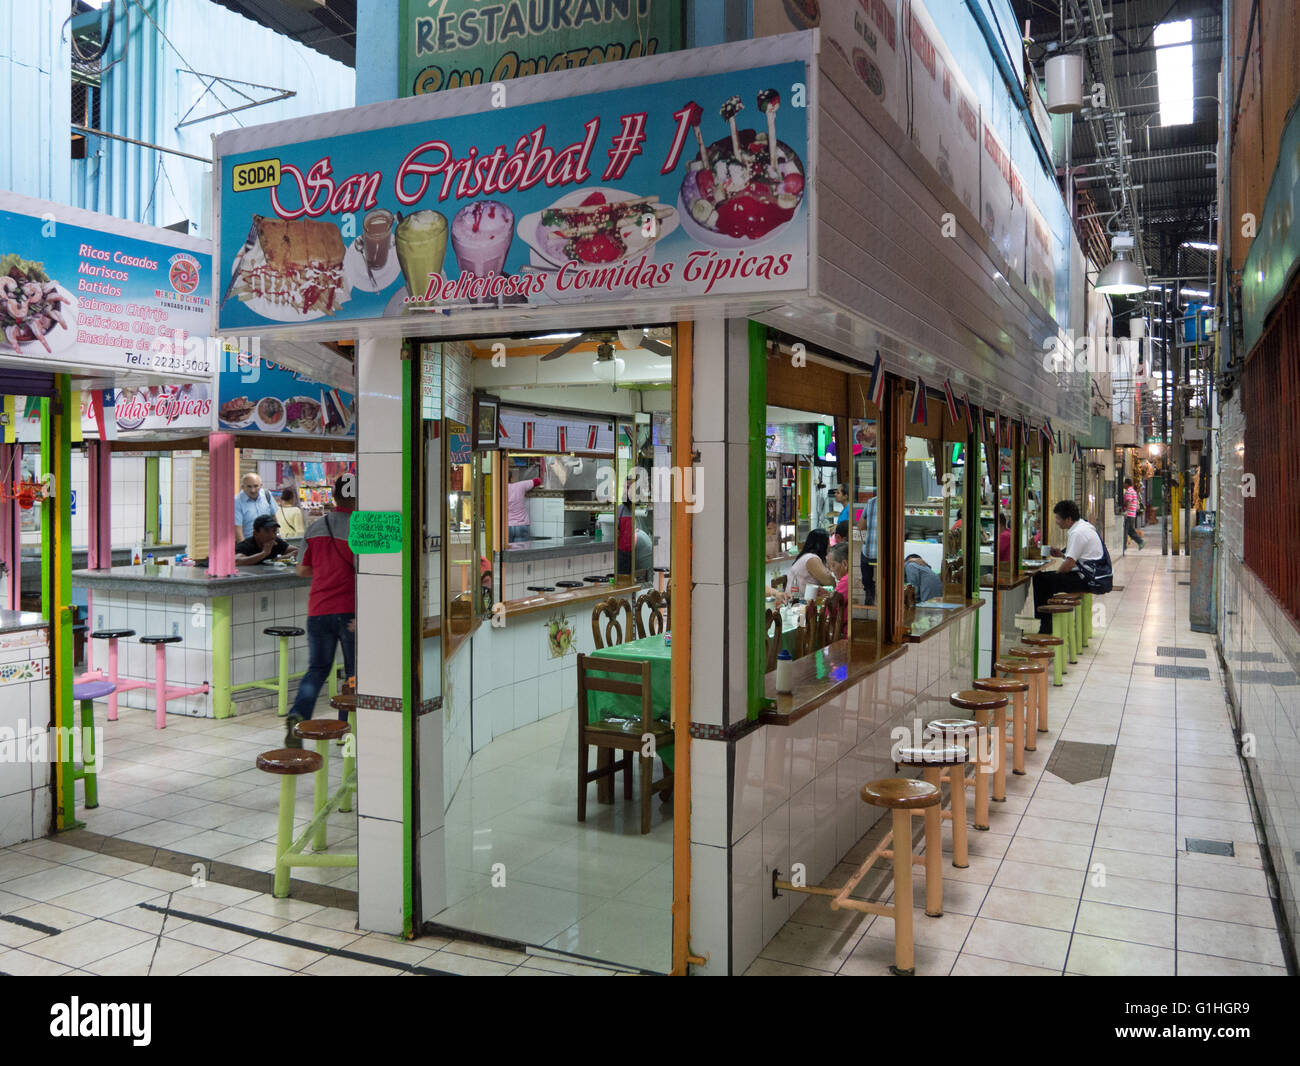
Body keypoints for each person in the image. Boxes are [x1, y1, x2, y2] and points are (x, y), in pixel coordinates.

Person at [285, 474, 358, 743]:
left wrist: (326, 569)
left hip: (318, 610)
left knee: (317, 669)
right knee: (353, 671)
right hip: (351, 612)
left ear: (335, 496)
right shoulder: (363, 528)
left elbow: (302, 569)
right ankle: (345, 730)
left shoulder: (317, 526)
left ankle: (298, 714)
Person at [1032, 499, 1104, 632]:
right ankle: (1046, 621)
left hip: (1086, 580)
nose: (1057, 522)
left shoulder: (1077, 533)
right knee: (1045, 578)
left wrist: (1056, 574)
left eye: (1058, 518)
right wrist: (1061, 555)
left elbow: (1069, 565)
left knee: (1041, 580)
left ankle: (1046, 624)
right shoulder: (1083, 525)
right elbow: (1078, 558)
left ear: (1068, 519)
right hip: (1091, 575)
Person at [789, 529, 835, 597]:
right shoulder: (811, 559)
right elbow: (829, 582)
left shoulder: (810, 556)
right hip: (797, 601)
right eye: (828, 543)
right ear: (822, 545)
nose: (830, 546)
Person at [235, 473, 277, 541]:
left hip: (269, 543)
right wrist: (244, 548)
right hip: (250, 545)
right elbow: (237, 529)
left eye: (256, 486)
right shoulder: (237, 502)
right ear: (242, 487)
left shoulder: (267, 495)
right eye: (249, 486)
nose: (253, 490)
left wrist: (276, 535)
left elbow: (274, 517)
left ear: (261, 486)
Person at [507, 467, 542, 542]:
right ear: (511, 478)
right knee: (521, 552)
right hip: (522, 525)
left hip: (505, 527)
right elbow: (537, 481)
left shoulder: (497, 490)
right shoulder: (520, 485)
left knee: (507, 552)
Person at [827, 542, 852, 637]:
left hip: (846, 636)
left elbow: (829, 611)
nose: (831, 571)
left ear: (845, 564)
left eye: (833, 565)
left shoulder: (846, 581)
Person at [616, 476, 638, 575]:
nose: (625, 491)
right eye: (625, 488)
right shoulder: (620, 509)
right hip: (622, 555)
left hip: (639, 553)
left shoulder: (642, 510)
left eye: (629, 488)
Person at [1122, 477, 1146, 551]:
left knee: (1126, 530)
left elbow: (1129, 501)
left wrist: (1126, 511)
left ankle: (1125, 546)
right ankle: (1140, 542)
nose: (1123, 485)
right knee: (1130, 530)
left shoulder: (1129, 491)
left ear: (1127, 484)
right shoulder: (1134, 491)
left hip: (1129, 514)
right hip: (1133, 514)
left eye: (1124, 484)